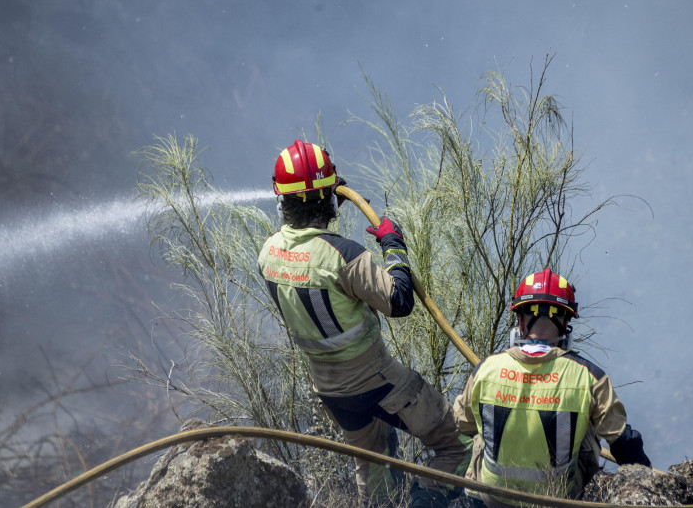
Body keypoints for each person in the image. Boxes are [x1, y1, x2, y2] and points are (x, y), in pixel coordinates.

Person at [257, 140, 469, 508]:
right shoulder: (343, 255)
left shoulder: (268, 253)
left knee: (374, 471)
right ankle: (427, 501)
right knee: (458, 443)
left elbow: (308, 261)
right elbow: (399, 301)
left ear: (282, 200)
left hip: (331, 392)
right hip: (378, 380)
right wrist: (393, 245)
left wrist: (324, 205)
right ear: (328, 196)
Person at [452, 268, 651, 508]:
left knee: (480, 427)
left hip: (491, 497)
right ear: (566, 322)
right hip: (558, 498)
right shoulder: (589, 377)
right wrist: (649, 482)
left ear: (520, 320)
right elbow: (623, 441)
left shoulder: (485, 370)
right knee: (588, 425)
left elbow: (462, 424)